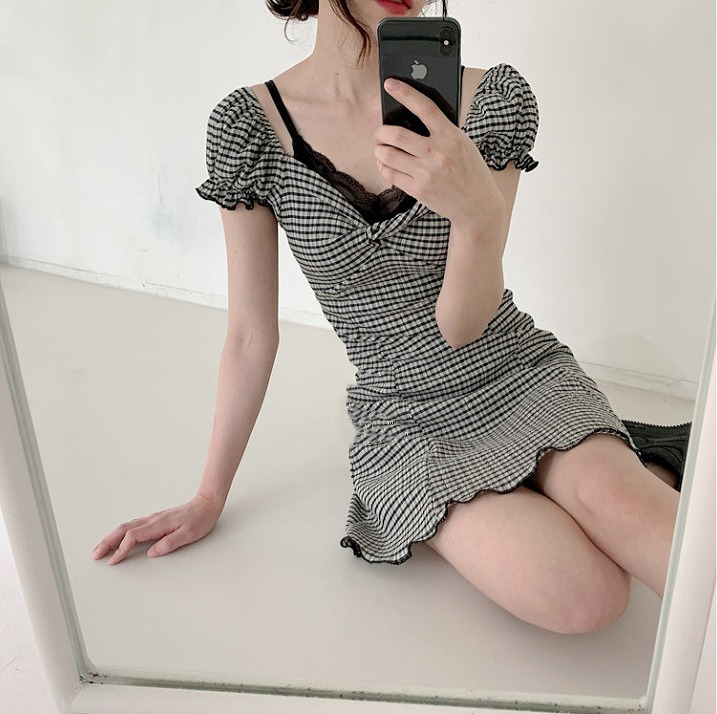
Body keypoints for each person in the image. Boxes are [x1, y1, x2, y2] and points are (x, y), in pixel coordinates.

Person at [92, 0, 691, 635]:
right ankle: (625, 463)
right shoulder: (250, 129)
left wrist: (478, 216)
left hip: (520, 375)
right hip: (404, 418)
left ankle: (606, 464)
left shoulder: (491, 103)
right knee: (589, 597)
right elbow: (249, 335)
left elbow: (462, 325)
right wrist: (208, 496)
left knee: (652, 536)